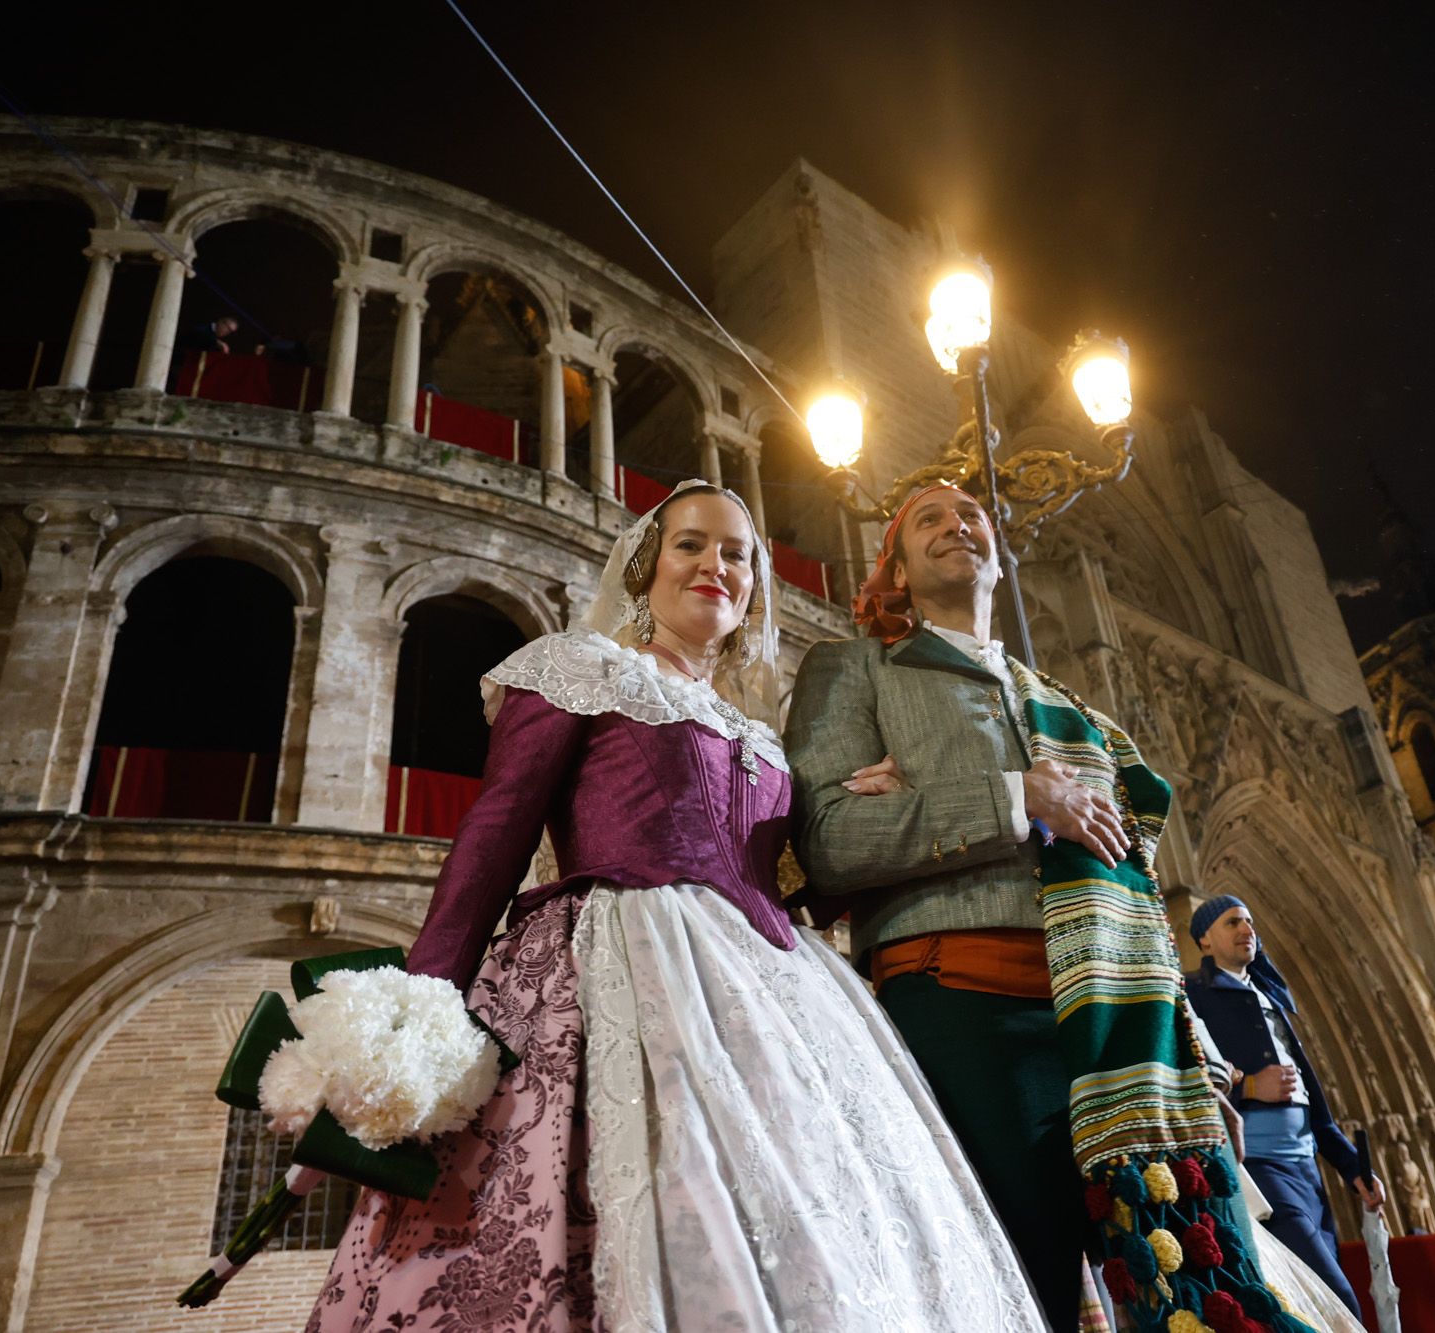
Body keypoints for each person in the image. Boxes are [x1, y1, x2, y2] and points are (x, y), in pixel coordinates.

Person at [306, 482, 1046, 1332]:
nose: (714, 567)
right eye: (691, 544)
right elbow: (497, 829)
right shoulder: (580, 668)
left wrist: (861, 802)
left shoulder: (762, 739)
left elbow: (783, 880)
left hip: (776, 990)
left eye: (736, 554)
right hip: (620, 961)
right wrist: (422, 1000)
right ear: (648, 562)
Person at [784, 483, 1353, 1333]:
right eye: (927, 519)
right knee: (1021, 1286)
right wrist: (1018, 794)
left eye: (971, 513)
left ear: (999, 552)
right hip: (966, 1010)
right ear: (893, 568)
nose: (956, 523)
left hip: (1121, 1026)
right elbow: (827, 841)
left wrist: (1189, 1052)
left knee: (1198, 1285)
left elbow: (1133, 897)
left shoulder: (1071, 711)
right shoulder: (858, 667)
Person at [1184, 896, 1385, 1313]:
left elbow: (1315, 1105)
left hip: (1308, 1172)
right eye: (1232, 922)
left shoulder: (1269, 997)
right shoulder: (1192, 994)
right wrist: (1250, 1086)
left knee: (1322, 1298)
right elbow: (1185, 1080)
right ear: (1204, 939)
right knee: (1334, 1299)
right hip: (1259, 1169)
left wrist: (1353, 1169)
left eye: (1250, 921)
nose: (1247, 930)